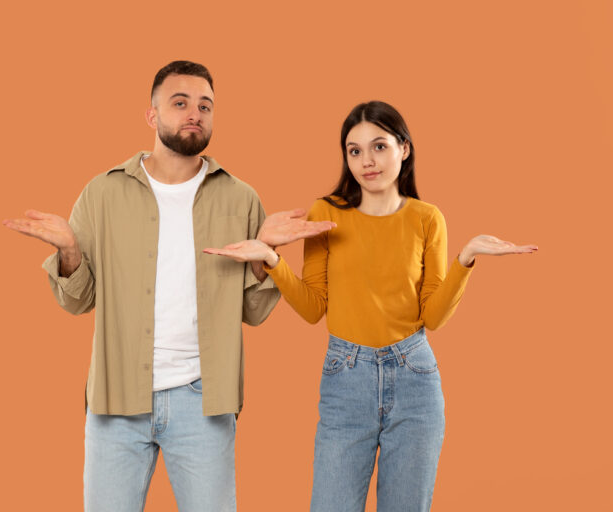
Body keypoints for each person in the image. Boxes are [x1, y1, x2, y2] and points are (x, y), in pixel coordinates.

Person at [3, 60, 330, 512]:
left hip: (204, 401)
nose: (194, 113)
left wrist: (267, 258)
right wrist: (70, 253)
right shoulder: (102, 193)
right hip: (116, 401)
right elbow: (78, 302)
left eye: (205, 105)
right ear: (152, 115)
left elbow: (253, 312)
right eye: (180, 103)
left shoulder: (241, 198)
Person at [205, 100, 538, 511]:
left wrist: (464, 260)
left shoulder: (427, 218)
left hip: (414, 376)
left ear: (404, 148)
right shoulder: (325, 214)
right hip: (346, 378)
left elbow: (432, 317)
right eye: (355, 150)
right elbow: (313, 309)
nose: (367, 160)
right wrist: (273, 261)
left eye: (379, 146)